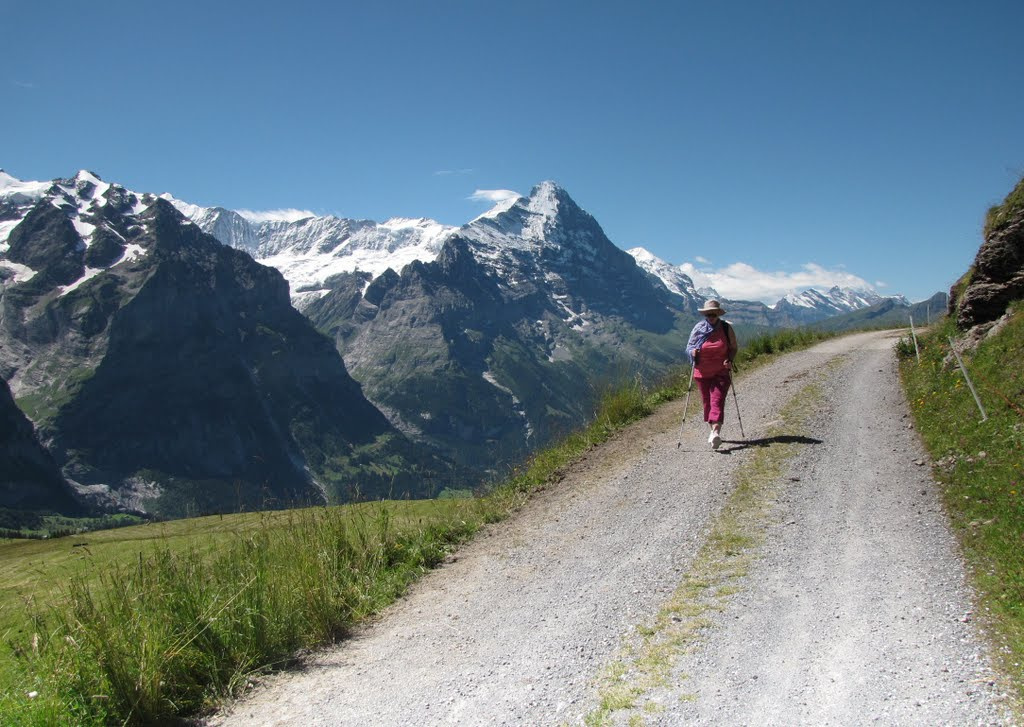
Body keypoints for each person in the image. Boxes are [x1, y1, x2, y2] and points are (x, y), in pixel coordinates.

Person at [685, 300, 739, 449]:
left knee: (717, 400)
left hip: (721, 371)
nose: (711, 316)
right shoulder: (698, 329)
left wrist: (730, 359)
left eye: (714, 314)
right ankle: (713, 432)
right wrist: (692, 352)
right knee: (707, 403)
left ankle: (715, 433)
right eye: (708, 314)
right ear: (705, 315)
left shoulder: (726, 328)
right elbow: (689, 347)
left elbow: (733, 347)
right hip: (702, 373)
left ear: (718, 314)